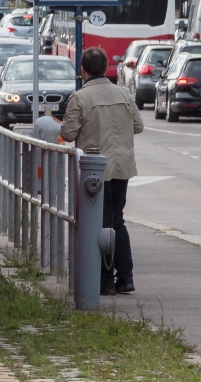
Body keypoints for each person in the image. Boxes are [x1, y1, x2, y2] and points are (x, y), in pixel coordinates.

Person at [57, 46, 143, 295]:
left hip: (95, 170)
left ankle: (105, 280)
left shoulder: (80, 98)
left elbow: (68, 133)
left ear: (82, 70)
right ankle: (125, 276)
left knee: (101, 224)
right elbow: (138, 126)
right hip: (123, 166)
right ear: (106, 68)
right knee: (118, 219)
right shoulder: (124, 94)